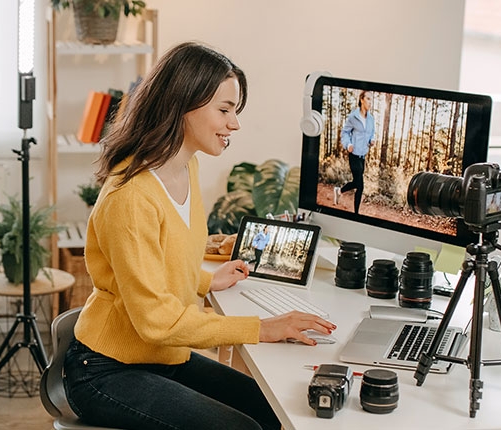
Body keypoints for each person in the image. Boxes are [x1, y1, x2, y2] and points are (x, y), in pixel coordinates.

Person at [63, 41, 336, 430]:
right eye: (224, 110)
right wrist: (263, 328)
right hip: (106, 372)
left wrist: (205, 278)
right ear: (182, 104)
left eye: (235, 111)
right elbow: (156, 320)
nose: (235, 124)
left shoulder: (183, 167)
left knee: (275, 414)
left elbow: (162, 263)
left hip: (161, 356)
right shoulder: (132, 198)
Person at [335, 90, 376, 214]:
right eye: (368, 99)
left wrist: (372, 140)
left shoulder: (371, 119)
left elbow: (372, 133)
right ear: (362, 100)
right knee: (360, 185)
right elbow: (345, 132)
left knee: (356, 182)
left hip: (363, 155)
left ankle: (339, 191)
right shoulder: (353, 117)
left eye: (371, 99)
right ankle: (356, 214)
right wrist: (348, 144)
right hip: (353, 154)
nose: (370, 102)